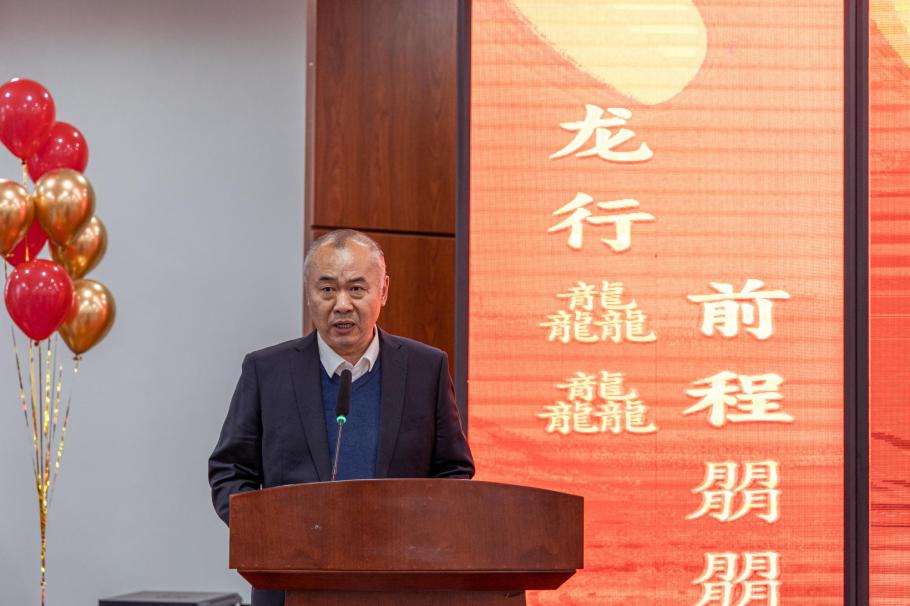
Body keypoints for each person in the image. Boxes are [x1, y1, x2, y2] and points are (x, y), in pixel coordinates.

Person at [208, 229, 475, 606]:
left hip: (402, 586)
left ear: (383, 291)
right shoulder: (267, 371)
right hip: (291, 585)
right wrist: (269, 535)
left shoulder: (425, 368)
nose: (342, 305)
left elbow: (453, 471)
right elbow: (230, 470)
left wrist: (421, 536)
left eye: (357, 289)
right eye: (327, 289)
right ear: (309, 294)